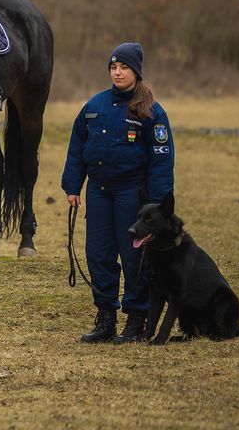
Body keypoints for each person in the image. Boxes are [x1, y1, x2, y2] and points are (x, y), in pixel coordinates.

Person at [61, 42, 175, 344]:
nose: (117, 72)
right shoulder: (94, 106)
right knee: (98, 254)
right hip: (98, 192)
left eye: (123, 67)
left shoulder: (152, 111)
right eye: (113, 67)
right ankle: (105, 318)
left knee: (133, 256)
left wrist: (158, 205)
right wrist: (72, 185)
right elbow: (76, 149)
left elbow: (162, 160)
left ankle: (136, 321)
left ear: (136, 71)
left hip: (133, 195)